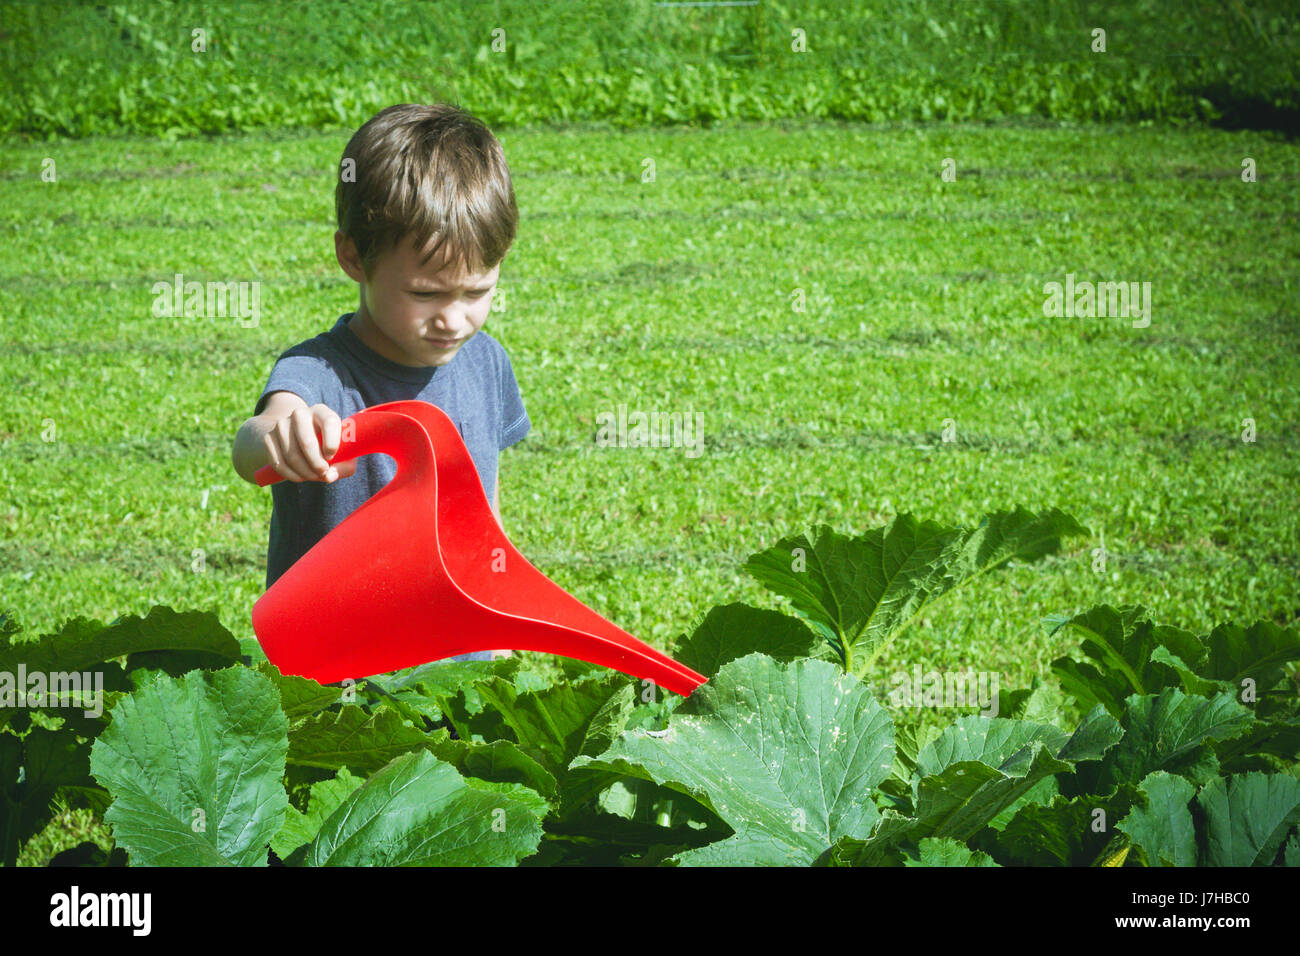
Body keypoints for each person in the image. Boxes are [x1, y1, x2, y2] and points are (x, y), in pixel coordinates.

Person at [231, 103, 530, 663]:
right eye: (424, 294)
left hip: (460, 660)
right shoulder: (318, 373)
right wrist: (283, 436)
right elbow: (255, 443)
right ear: (353, 257)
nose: (453, 319)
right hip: (336, 672)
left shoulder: (487, 362)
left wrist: (501, 613)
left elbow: (485, 506)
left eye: (477, 292)